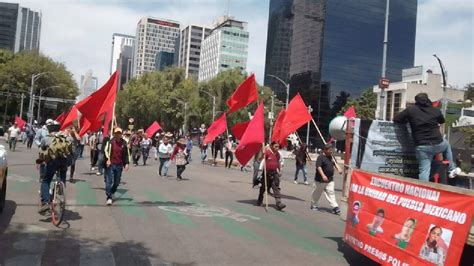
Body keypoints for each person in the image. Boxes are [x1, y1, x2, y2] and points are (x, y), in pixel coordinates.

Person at [393, 93, 460, 181]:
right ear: (427, 100)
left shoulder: (411, 110)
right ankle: (451, 169)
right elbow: (442, 120)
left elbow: (396, 119)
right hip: (438, 143)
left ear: (416, 101)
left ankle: (423, 190)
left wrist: (407, 119)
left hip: (423, 147)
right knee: (447, 146)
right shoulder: (435, 110)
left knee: (424, 170)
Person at [37, 123, 71, 213]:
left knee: (46, 181)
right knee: (62, 175)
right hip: (64, 162)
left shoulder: (46, 138)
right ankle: (60, 188)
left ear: (49, 130)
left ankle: (46, 203)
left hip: (53, 162)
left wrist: (40, 161)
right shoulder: (65, 138)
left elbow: (42, 151)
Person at [311, 143, 341, 215]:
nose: (331, 151)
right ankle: (314, 205)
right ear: (325, 150)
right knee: (317, 193)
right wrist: (323, 175)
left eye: (332, 150)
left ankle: (335, 207)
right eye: (330, 150)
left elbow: (336, 165)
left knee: (331, 193)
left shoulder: (332, 157)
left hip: (330, 179)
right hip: (320, 180)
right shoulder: (321, 157)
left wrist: (339, 169)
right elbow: (319, 167)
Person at [103, 127, 130, 205]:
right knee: (109, 181)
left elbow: (126, 154)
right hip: (111, 164)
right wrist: (108, 159)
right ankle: (109, 197)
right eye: (116, 133)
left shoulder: (124, 143)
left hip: (119, 165)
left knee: (117, 182)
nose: (118, 135)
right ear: (114, 134)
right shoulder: (110, 142)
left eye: (119, 133)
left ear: (121, 134)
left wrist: (127, 163)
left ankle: (112, 192)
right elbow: (106, 150)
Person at [256, 141, 286, 211]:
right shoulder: (267, 152)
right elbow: (259, 159)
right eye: (275, 146)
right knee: (263, 187)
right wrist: (262, 154)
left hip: (275, 173)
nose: (277, 148)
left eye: (278, 147)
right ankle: (259, 200)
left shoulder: (278, 154)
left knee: (276, 188)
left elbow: (278, 163)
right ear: (272, 146)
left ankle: (279, 204)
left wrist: (280, 171)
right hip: (266, 173)